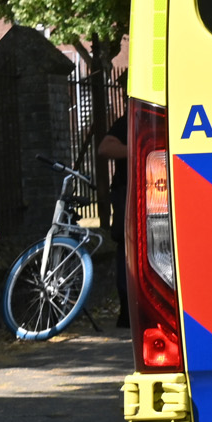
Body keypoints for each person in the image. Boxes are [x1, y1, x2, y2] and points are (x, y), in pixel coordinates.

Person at [98, 115, 129, 329]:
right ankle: (127, 310)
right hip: (127, 192)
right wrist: (137, 151)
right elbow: (105, 148)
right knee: (126, 246)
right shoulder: (130, 120)